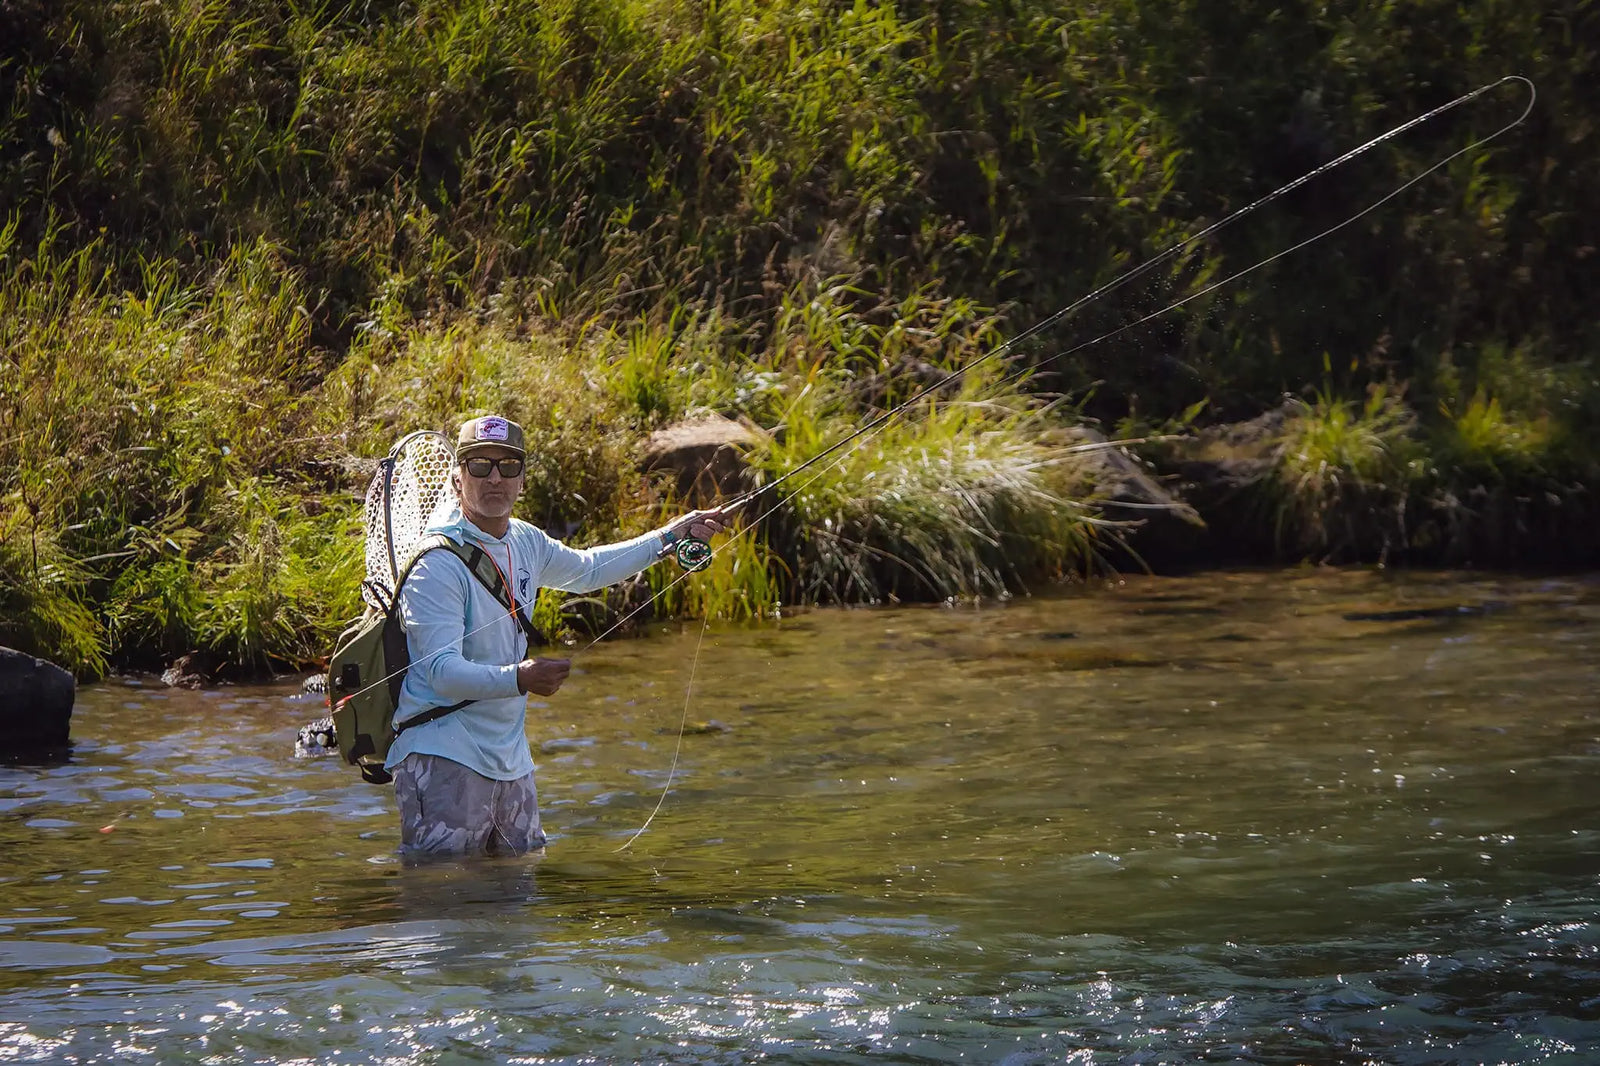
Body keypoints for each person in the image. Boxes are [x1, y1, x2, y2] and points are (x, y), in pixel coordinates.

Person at [385, 414, 730, 859]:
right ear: (457, 480)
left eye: (508, 467)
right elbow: (439, 673)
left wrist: (670, 537)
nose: (495, 478)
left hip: (510, 760)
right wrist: (520, 678)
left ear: (522, 480)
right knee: (443, 889)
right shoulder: (437, 563)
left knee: (520, 883)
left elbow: (589, 570)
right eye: (480, 466)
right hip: (442, 755)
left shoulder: (526, 541)